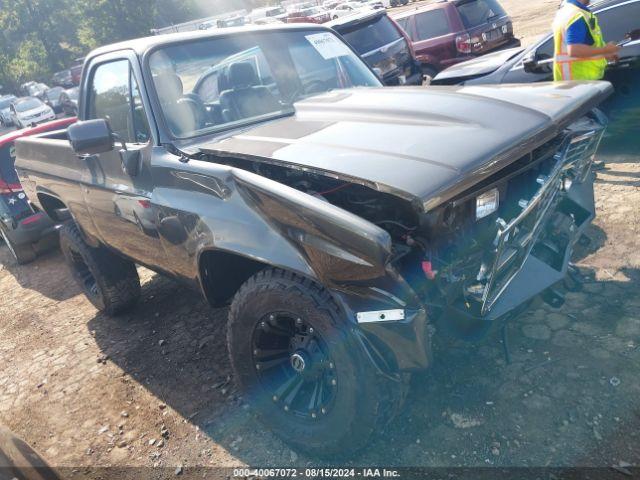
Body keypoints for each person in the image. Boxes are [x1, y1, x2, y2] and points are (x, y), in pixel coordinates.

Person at [553, 0, 621, 81]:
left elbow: (585, 45)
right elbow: (574, 50)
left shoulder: (566, 11)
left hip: (576, 82)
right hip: (581, 82)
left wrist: (604, 54)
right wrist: (605, 50)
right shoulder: (576, 15)